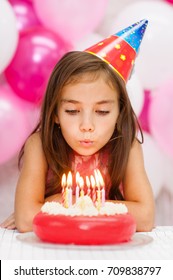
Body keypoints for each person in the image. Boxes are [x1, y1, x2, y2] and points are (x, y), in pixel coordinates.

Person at [0, 19, 155, 233]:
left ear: (119, 114)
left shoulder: (127, 147)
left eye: (102, 112)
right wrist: (107, 207)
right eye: (72, 111)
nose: (87, 125)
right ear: (54, 113)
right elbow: (27, 219)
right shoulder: (40, 146)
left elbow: (145, 217)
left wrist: (61, 202)